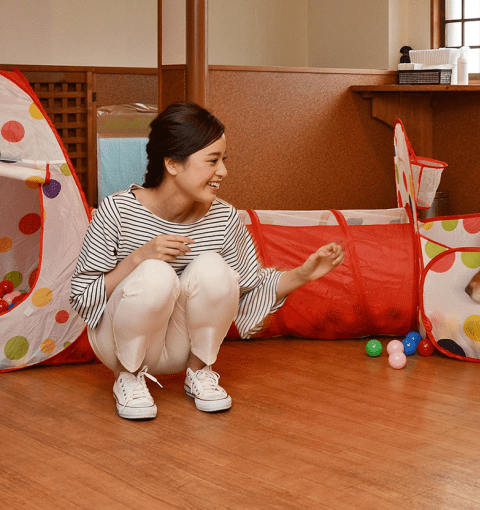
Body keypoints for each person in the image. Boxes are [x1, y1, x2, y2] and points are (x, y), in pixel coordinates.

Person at [70, 101, 344, 420]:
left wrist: (304, 273)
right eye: (212, 161)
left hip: (182, 346)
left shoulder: (225, 218)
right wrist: (138, 259)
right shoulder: (117, 211)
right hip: (117, 342)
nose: (223, 172)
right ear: (173, 164)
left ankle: (199, 372)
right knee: (156, 273)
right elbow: (82, 296)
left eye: (223, 160)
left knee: (215, 269)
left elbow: (249, 289)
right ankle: (128, 378)